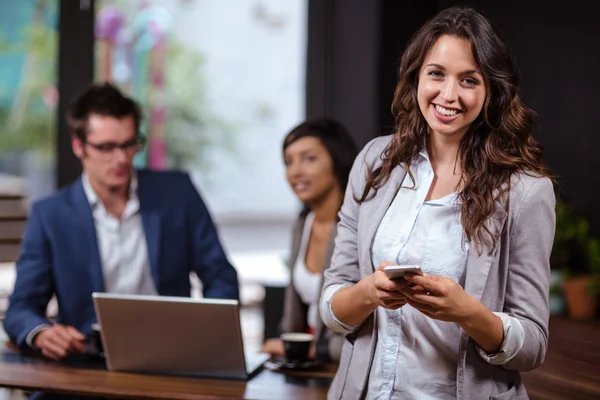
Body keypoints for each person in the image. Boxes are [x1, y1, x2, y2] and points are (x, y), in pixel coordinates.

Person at [319, 6, 555, 400]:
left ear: (491, 89)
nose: (449, 95)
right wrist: (368, 293)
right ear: (415, 77)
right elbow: (332, 305)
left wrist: (467, 311)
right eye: (436, 74)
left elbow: (533, 345)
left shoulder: (526, 191)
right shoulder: (376, 162)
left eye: (469, 80)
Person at [4, 82, 239, 362]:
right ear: (79, 146)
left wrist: (203, 334)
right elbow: (21, 307)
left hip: (171, 358)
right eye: (106, 147)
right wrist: (42, 333)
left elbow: (220, 276)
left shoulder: (178, 194)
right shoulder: (49, 215)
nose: (121, 158)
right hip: (85, 364)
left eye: (129, 144)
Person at [261, 118, 358, 362]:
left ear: (338, 161)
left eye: (309, 158)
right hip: (308, 361)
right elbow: (292, 316)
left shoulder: (360, 227)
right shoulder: (302, 225)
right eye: (288, 162)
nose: (295, 172)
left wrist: (316, 350)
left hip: (343, 360)